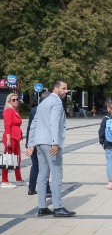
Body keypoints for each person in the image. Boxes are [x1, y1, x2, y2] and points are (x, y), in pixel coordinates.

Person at [26, 80, 76, 217]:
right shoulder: (56, 102)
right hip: (50, 143)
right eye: (64, 88)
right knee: (57, 174)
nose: (66, 91)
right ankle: (58, 207)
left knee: (42, 174)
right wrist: (55, 142)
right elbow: (54, 122)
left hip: (39, 142)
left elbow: (34, 124)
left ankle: (42, 207)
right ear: (56, 89)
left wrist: (31, 143)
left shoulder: (43, 103)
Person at [26, 91, 52, 196]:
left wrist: (29, 143)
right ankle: (46, 189)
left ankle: (31, 188)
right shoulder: (45, 111)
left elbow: (30, 128)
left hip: (33, 141)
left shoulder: (33, 110)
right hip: (41, 141)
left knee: (35, 166)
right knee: (44, 166)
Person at [2, 93, 27, 188]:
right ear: (9, 101)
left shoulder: (15, 111)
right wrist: (8, 139)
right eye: (13, 100)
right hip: (10, 138)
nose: (16, 101)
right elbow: (7, 126)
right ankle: (4, 181)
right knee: (7, 159)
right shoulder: (9, 111)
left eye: (17, 99)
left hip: (15, 138)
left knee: (17, 159)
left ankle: (19, 179)